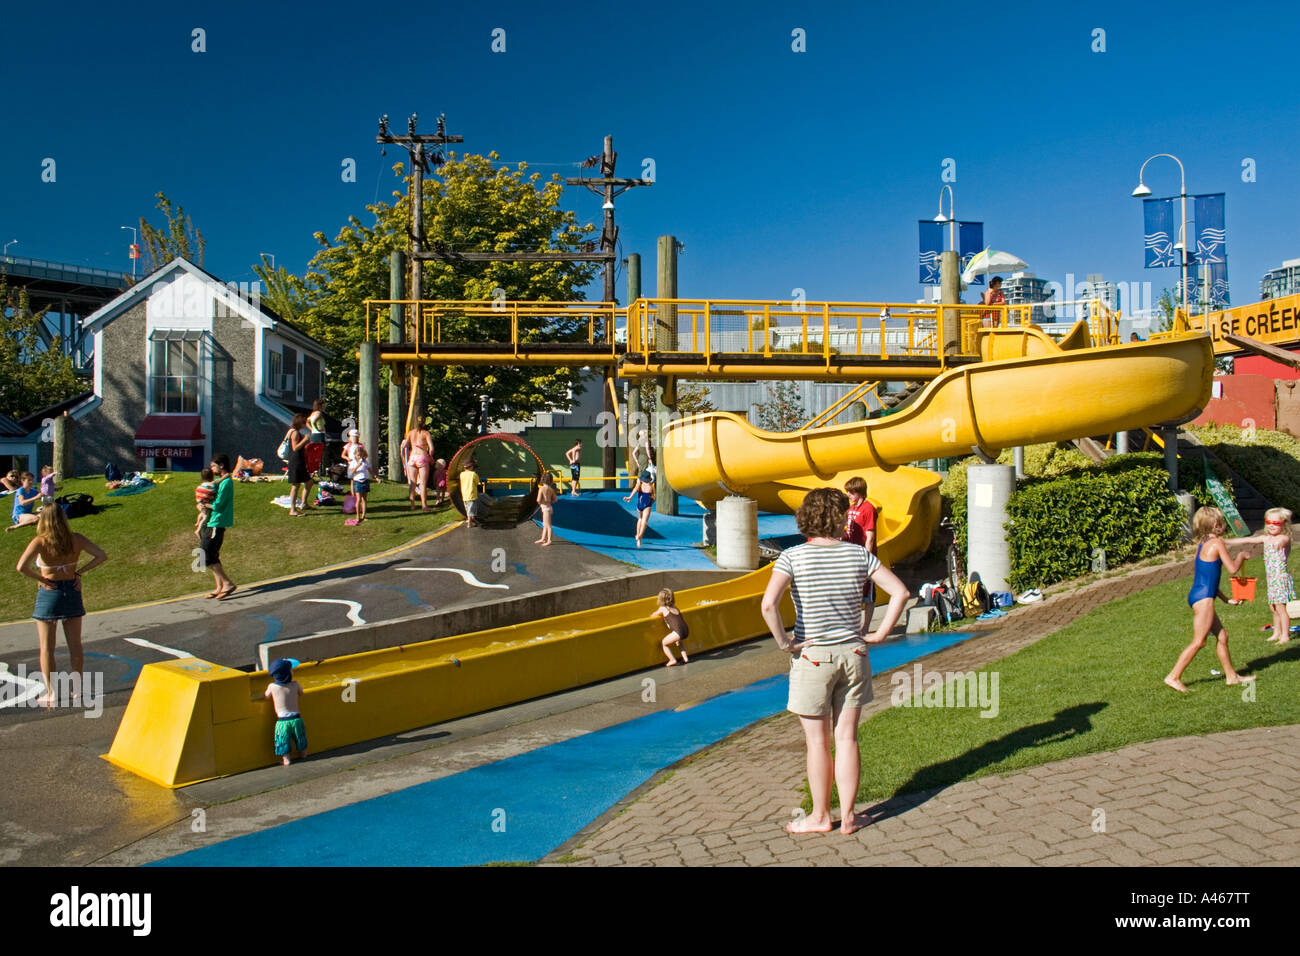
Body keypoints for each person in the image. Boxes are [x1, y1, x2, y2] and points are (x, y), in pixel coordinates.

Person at [760, 487, 910, 835]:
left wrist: (785, 642)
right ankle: (851, 818)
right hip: (854, 654)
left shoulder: (792, 557)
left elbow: (768, 604)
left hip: (812, 656)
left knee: (817, 742)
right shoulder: (859, 556)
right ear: (841, 517)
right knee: (847, 738)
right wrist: (878, 633)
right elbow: (900, 592)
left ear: (805, 519)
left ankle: (820, 817)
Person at [15, 505, 107, 707]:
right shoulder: (76, 538)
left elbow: (21, 567)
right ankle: (78, 689)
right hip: (71, 589)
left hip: (50, 592)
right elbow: (101, 555)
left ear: (44, 520)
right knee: (75, 644)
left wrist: (41, 578)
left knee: (47, 647)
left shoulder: (40, 541)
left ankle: (52, 692)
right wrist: (79, 572)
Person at [1165, 506, 1256, 692]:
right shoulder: (1217, 543)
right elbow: (1232, 569)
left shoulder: (1203, 545)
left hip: (1200, 594)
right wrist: (1240, 556)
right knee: (1199, 641)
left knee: (1222, 636)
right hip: (1204, 598)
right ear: (1216, 525)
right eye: (1222, 523)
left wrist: (1225, 599)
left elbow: (1208, 578)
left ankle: (1232, 677)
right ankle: (1173, 677)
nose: (1224, 526)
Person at [1240, 508, 1294, 645]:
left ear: (1283, 524)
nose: (1271, 525)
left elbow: (1283, 541)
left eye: (1276, 523)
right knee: (1273, 607)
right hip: (1271, 580)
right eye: (1269, 522)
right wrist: (1224, 542)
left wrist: (1278, 543)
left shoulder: (1284, 538)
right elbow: (1246, 541)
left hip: (1280, 579)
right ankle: (1277, 632)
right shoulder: (1266, 538)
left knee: (1281, 609)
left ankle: (1285, 636)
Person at [843, 476, 878, 628]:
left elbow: (870, 536)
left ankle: (866, 627)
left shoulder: (868, 508)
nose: (849, 495)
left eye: (851, 492)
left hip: (863, 555)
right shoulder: (851, 509)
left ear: (859, 492)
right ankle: (854, 625)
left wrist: (867, 558)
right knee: (853, 592)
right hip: (852, 555)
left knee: (868, 592)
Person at [202, 454, 238, 600]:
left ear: (221, 465)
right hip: (213, 521)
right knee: (212, 555)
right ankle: (219, 586)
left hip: (217, 522)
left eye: (213, 466)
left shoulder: (227, 483)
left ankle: (228, 583)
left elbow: (218, 504)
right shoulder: (222, 481)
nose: (212, 469)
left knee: (205, 554)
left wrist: (205, 504)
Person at [265, 658, 308, 766]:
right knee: (300, 739)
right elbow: (301, 693)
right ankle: (303, 754)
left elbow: (266, 696)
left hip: (282, 721)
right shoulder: (295, 684)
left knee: (283, 742)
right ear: (288, 673)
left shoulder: (272, 687)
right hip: (297, 719)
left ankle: (286, 760)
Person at [402, 419, 435, 512]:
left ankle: (412, 505)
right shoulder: (426, 433)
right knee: (423, 484)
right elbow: (431, 448)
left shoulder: (411, 433)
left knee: (412, 483)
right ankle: (424, 506)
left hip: (412, 458)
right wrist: (430, 456)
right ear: (424, 423)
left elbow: (404, 445)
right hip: (422, 457)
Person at [652, 587, 690, 666]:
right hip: (686, 630)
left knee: (664, 643)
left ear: (661, 600)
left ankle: (672, 660)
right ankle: (685, 658)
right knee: (679, 642)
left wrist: (654, 615)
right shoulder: (675, 607)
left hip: (678, 632)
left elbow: (654, 614)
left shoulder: (663, 608)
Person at [284, 413, 311, 516]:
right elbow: (295, 448)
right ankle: (293, 509)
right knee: (296, 485)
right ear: (300, 423)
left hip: (300, 460)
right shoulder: (295, 433)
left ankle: (304, 504)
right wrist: (304, 440)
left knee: (309, 482)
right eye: (304, 422)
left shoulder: (296, 432)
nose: (305, 424)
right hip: (296, 461)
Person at [622, 467, 655, 548]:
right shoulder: (651, 486)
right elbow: (654, 497)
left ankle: (638, 537)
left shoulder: (639, 484)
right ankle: (640, 536)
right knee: (644, 521)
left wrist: (629, 497)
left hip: (640, 503)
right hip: (647, 504)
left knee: (640, 519)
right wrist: (651, 503)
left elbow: (634, 490)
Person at [347, 446, 372, 524]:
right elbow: (351, 473)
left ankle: (363, 515)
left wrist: (376, 477)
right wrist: (358, 466)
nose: (359, 457)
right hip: (357, 481)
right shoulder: (353, 462)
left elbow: (370, 470)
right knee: (358, 499)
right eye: (358, 455)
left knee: (364, 499)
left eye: (361, 455)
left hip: (365, 481)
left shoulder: (365, 462)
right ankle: (357, 516)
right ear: (355, 455)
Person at [534, 472, 558, 546]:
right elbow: (556, 499)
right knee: (545, 524)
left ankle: (549, 540)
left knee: (548, 525)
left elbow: (538, 500)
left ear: (542, 479)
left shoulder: (541, 489)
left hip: (545, 509)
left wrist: (541, 503)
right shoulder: (551, 489)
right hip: (549, 507)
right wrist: (550, 501)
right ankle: (543, 538)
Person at [306, 398, 327, 478]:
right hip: (319, 435)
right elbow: (314, 421)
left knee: (313, 454)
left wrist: (312, 429)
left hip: (314, 434)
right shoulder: (318, 413)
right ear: (320, 405)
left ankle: (313, 472)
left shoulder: (313, 413)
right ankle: (318, 471)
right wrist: (317, 428)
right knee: (319, 453)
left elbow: (307, 421)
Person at [194, 467, 217, 535]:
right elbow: (212, 494)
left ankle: (197, 522)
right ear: (212, 476)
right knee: (205, 517)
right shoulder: (211, 486)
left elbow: (198, 493)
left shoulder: (201, 486)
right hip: (205, 505)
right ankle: (198, 530)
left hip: (199, 504)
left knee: (201, 514)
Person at [460, 458, 481, 528]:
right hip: (472, 495)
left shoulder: (461, 474)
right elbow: (477, 482)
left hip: (464, 495)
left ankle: (472, 519)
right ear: (471, 467)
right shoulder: (473, 474)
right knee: (471, 509)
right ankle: (469, 523)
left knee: (468, 508)